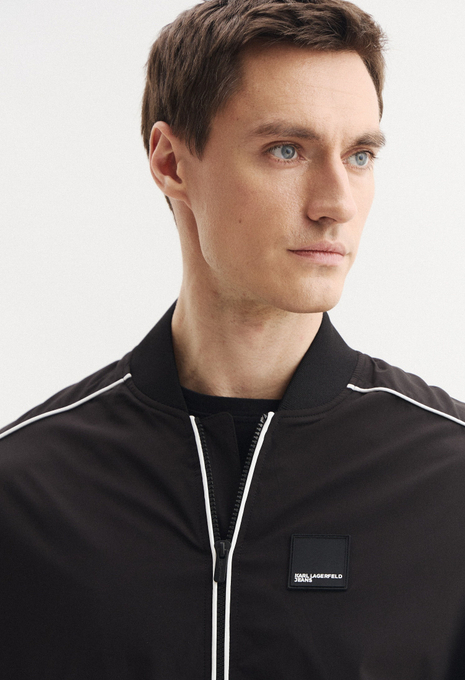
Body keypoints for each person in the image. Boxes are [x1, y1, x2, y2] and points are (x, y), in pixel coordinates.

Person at [1, 0, 464, 678]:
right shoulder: (24, 493)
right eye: (286, 150)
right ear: (171, 162)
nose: (336, 202)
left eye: (359, 155)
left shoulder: (449, 482)